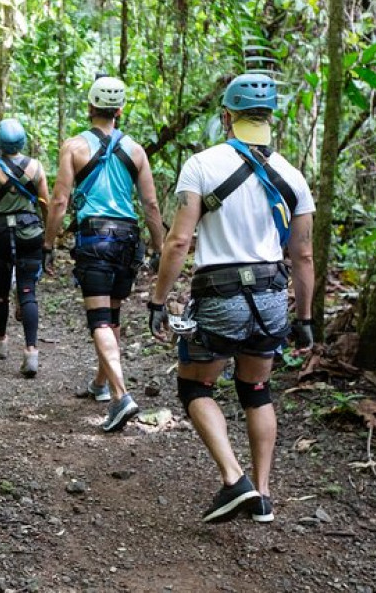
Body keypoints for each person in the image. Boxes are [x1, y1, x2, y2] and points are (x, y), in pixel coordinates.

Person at [148, 73, 315, 523]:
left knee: (195, 386)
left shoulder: (201, 165)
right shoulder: (294, 176)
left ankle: (233, 479)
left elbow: (179, 241)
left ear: (227, 115)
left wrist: (159, 300)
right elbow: (302, 254)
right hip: (272, 297)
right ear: (270, 117)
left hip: (221, 296)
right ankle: (262, 496)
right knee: (256, 390)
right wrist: (305, 318)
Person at [43, 76, 165, 432]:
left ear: (90, 107)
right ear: (120, 110)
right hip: (128, 239)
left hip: (94, 237)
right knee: (111, 315)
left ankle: (121, 395)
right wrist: (159, 247)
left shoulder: (73, 147)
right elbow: (151, 204)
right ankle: (100, 384)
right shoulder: (137, 151)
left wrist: (48, 244)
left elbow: (60, 200)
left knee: (99, 321)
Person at [0, 119, 50, 378]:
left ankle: (2, 342)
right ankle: (31, 352)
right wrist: (50, 237)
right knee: (28, 290)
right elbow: (45, 204)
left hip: (2, 236)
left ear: (0, 143)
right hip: (31, 235)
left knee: (1, 290)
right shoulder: (37, 167)